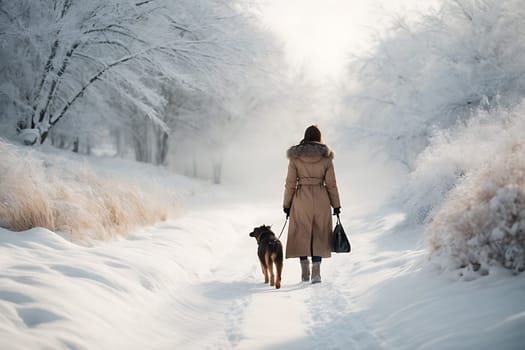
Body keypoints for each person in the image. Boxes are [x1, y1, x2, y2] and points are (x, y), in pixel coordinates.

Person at [282, 125, 341, 284]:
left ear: (305, 137)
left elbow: (290, 183)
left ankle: (305, 272)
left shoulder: (295, 157)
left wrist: (287, 204)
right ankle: (316, 273)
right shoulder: (326, 157)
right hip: (321, 198)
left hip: (301, 199)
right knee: (319, 232)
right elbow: (331, 184)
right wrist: (336, 205)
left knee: (302, 231)